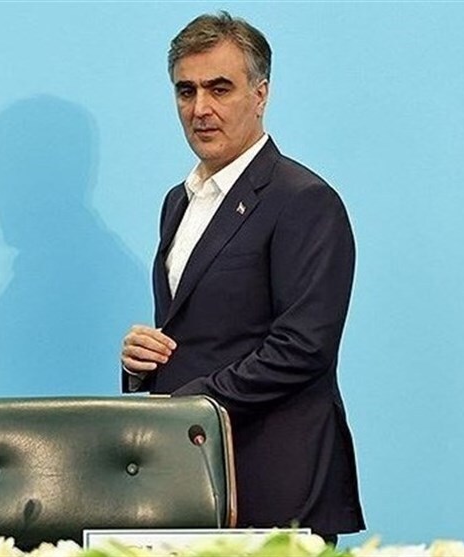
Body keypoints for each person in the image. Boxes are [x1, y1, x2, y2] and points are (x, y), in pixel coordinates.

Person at [120, 11, 365, 544]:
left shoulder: (304, 200)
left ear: (261, 94)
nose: (200, 109)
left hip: (278, 483)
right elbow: (198, 334)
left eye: (219, 88)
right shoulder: (177, 202)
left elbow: (303, 348)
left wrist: (194, 404)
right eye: (186, 91)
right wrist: (143, 366)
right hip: (191, 479)